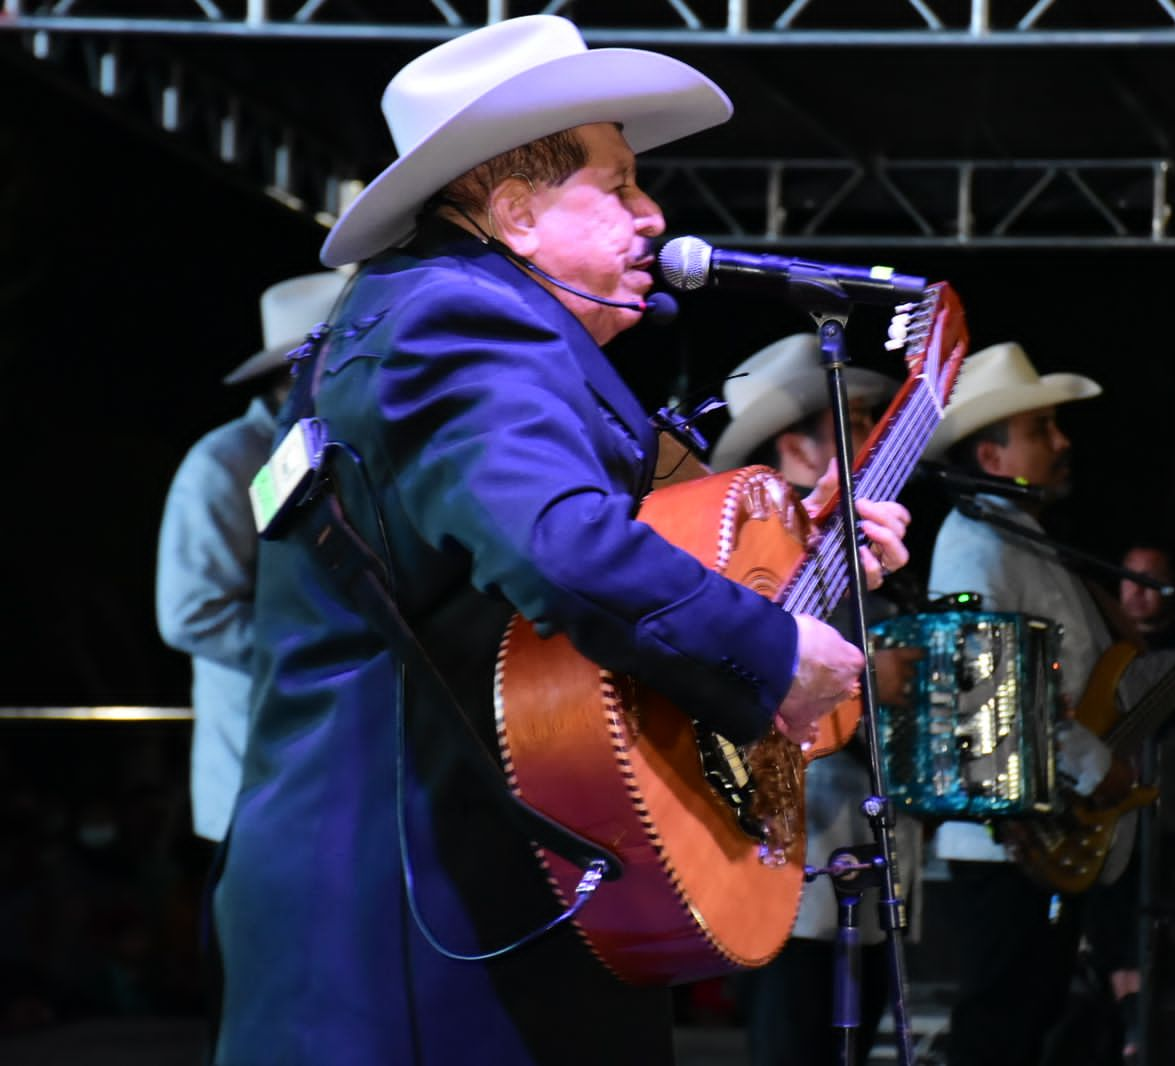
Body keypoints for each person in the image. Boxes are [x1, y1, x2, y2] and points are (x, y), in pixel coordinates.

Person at [210, 16, 910, 1065]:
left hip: (482, 884)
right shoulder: (459, 317)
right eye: (618, 184)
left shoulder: (464, 315)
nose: (653, 215)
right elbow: (562, 548)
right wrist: (769, 654)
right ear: (514, 212)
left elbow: (554, 568)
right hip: (415, 902)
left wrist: (798, 558)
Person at [922, 341, 1154, 1066]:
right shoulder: (976, 548)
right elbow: (988, 692)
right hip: (1008, 837)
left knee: (1027, 1016)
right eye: (1042, 429)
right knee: (1002, 1022)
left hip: (1038, 831)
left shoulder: (1020, 540)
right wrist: (1095, 767)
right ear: (992, 457)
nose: (1062, 441)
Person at [712, 333, 922, 1066]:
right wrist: (871, 679)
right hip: (789, 851)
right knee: (796, 1034)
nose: (874, 436)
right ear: (797, 449)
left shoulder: (840, 537)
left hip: (851, 845)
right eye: (856, 421)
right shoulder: (752, 546)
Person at [155, 270, 348, 843]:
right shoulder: (222, 465)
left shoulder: (337, 449)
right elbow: (191, 614)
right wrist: (323, 648)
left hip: (321, 773)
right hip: (259, 780)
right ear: (300, 372)